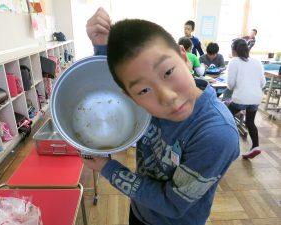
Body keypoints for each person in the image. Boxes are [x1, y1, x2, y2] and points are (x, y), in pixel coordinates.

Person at [84, 8, 239, 225]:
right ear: (130, 97)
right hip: (140, 208)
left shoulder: (216, 135)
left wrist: (107, 168)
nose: (168, 98)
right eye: (143, 90)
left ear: (184, 57)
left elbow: (172, 204)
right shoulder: (144, 104)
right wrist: (102, 46)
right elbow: (114, 83)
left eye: (168, 72)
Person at [227, 38, 266, 159]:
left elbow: (230, 85)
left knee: (225, 117)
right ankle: (255, 146)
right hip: (256, 98)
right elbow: (263, 83)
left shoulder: (234, 62)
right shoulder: (257, 62)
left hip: (240, 98)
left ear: (234, 50)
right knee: (250, 122)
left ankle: (227, 145)